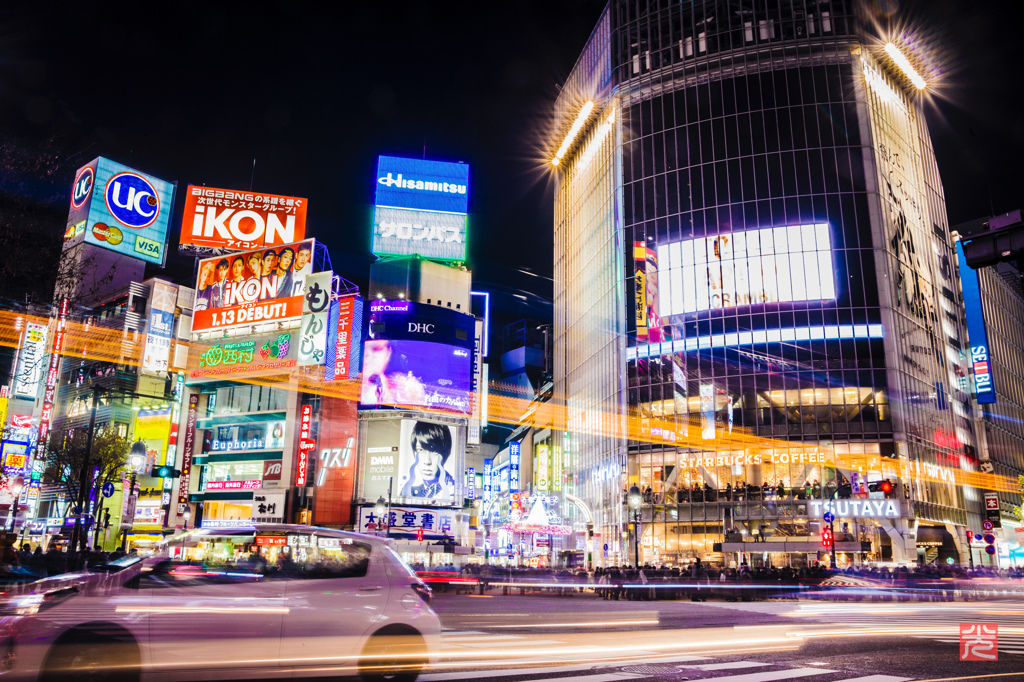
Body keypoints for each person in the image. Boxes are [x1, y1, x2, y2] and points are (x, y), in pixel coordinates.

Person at [360, 339, 426, 407]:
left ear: (388, 353)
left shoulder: (407, 390)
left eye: (376, 348)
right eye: (362, 348)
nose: (366, 355)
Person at [400, 421, 456, 499]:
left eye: (435, 451)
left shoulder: (453, 491)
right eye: (421, 450)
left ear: (445, 453)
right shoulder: (411, 490)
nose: (427, 461)